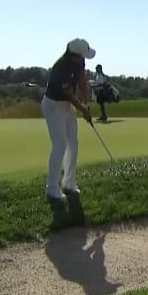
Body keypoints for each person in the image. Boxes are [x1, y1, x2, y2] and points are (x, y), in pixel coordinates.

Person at [41, 38, 95, 201]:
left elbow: (81, 80)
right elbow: (70, 95)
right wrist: (83, 110)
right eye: (83, 55)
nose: (84, 58)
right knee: (60, 144)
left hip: (65, 105)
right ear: (75, 55)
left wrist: (86, 102)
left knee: (73, 142)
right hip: (54, 106)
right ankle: (52, 187)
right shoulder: (61, 68)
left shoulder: (78, 62)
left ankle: (69, 183)